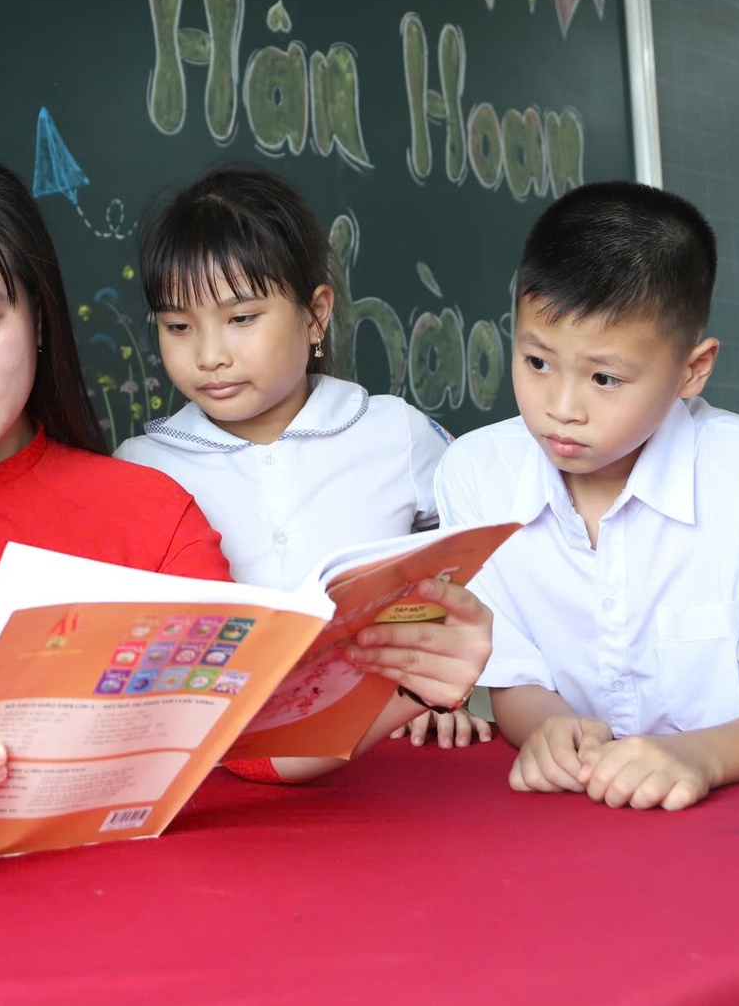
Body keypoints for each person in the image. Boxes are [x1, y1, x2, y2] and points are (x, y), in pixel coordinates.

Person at [0, 155, 492, 864]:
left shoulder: (152, 509)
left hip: (121, 907)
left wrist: (409, 681)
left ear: (40, 317)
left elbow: (248, 743)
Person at [434, 181, 739, 811]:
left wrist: (698, 757)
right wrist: (549, 730)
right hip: (576, 817)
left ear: (692, 369)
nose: (562, 407)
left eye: (604, 378)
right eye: (537, 362)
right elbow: (516, 677)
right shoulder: (476, 473)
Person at [115, 166, 488, 749]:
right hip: (215, 762)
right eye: (178, 326)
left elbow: (480, 560)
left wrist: (434, 688)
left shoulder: (392, 432)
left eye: (241, 319)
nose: (209, 355)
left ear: (315, 314)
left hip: (384, 746)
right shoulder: (141, 467)